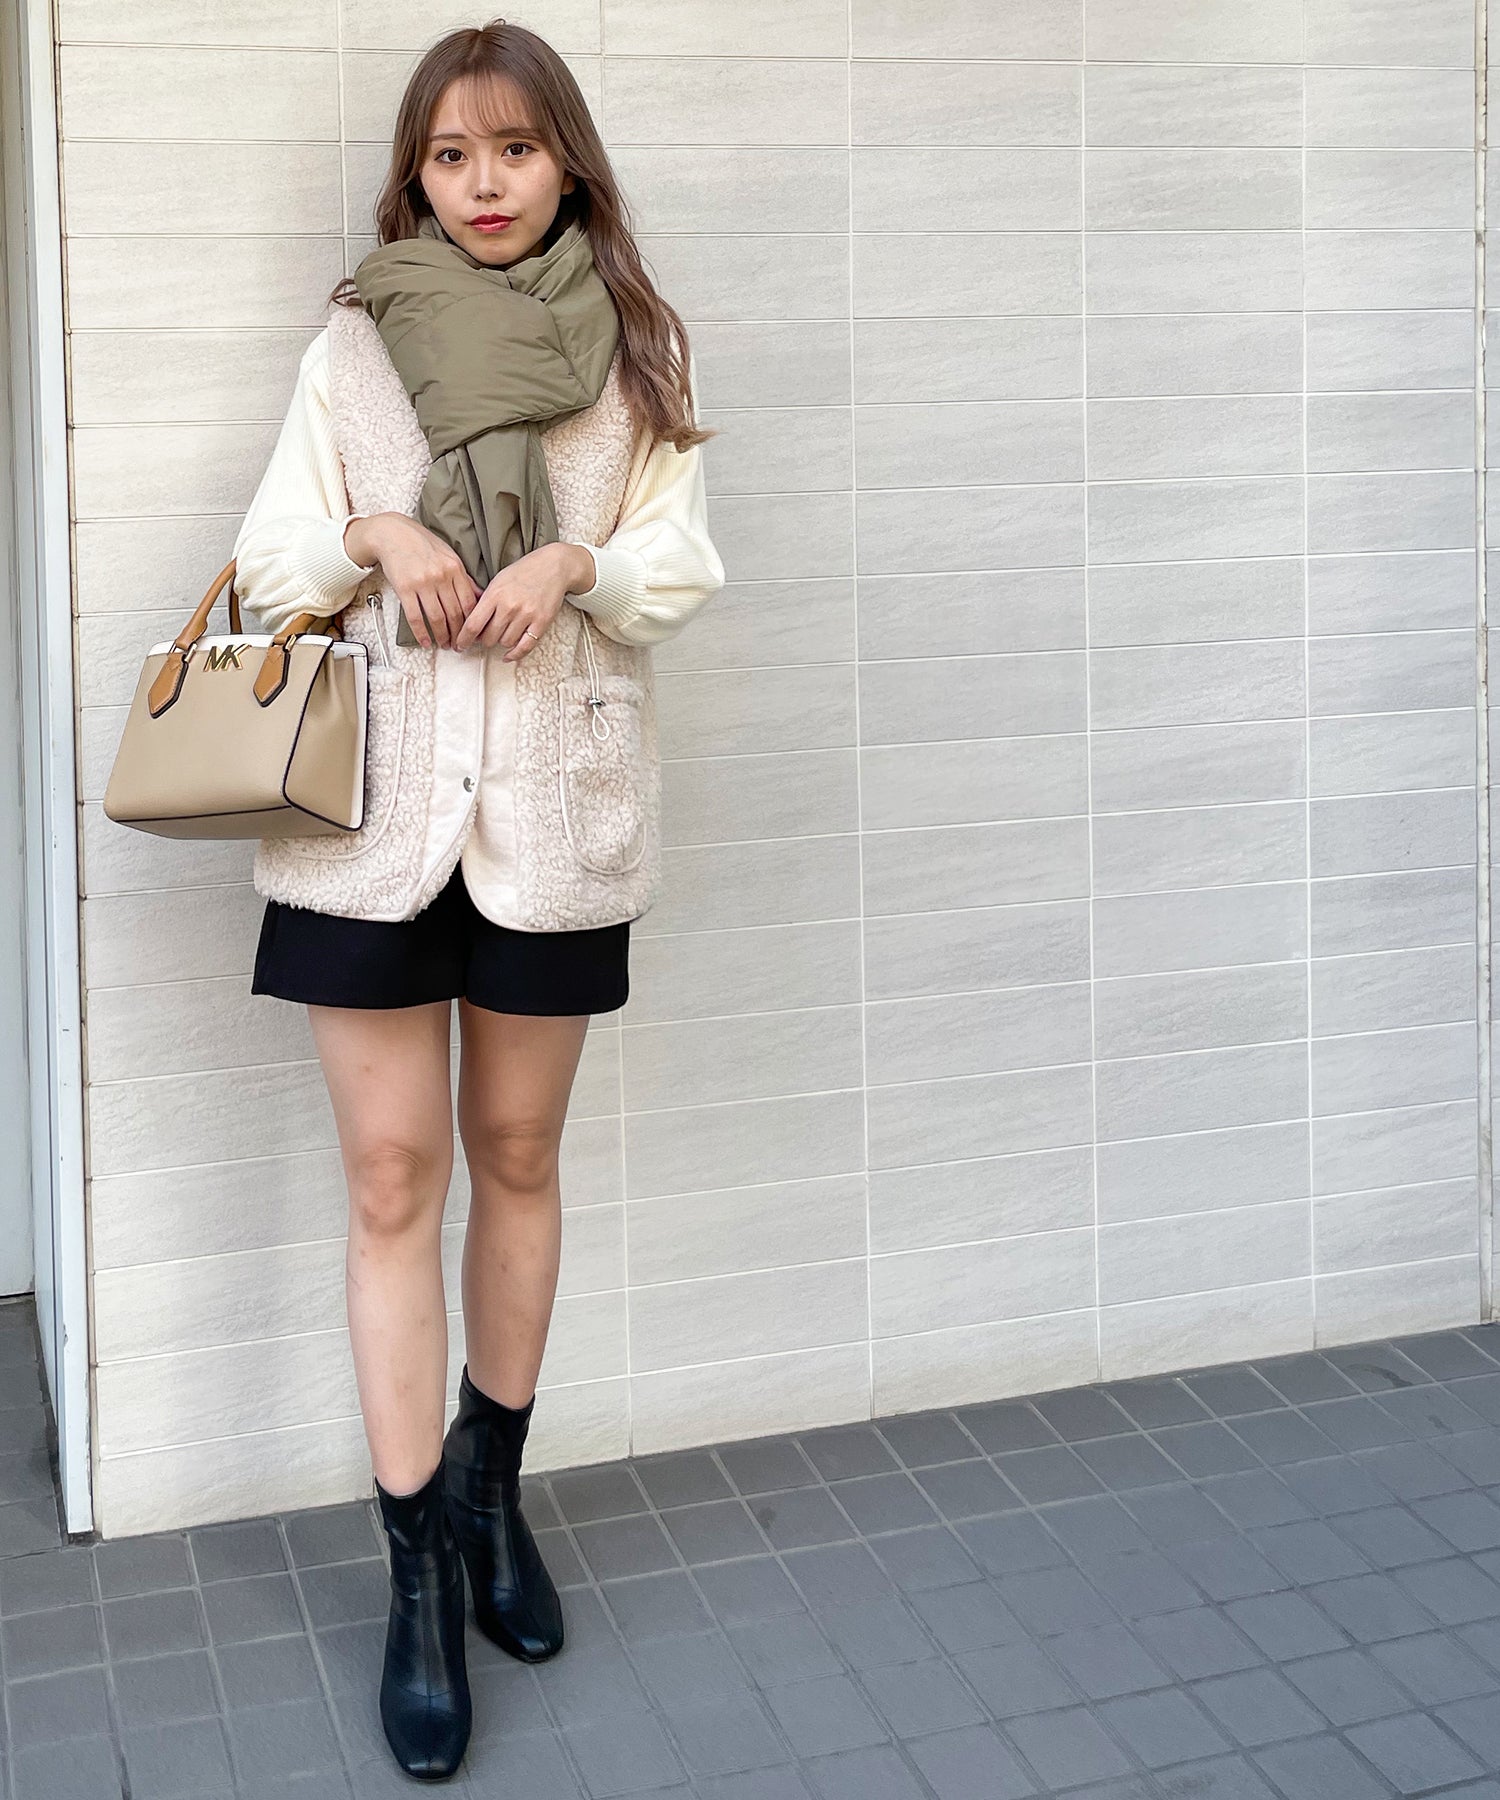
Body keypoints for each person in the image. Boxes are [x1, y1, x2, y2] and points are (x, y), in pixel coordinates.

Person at [230, 16, 724, 1781]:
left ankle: (493, 1495)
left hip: (554, 817)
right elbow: (270, 564)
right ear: (416, 175)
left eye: (514, 149)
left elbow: (681, 560)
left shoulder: (640, 346)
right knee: (390, 1180)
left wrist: (578, 560)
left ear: (566, 161)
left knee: (518, 1156)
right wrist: (381, 537)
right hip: (371, 823)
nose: (484, 182)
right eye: (451, 155)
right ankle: (419, 1576)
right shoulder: (357, 342)